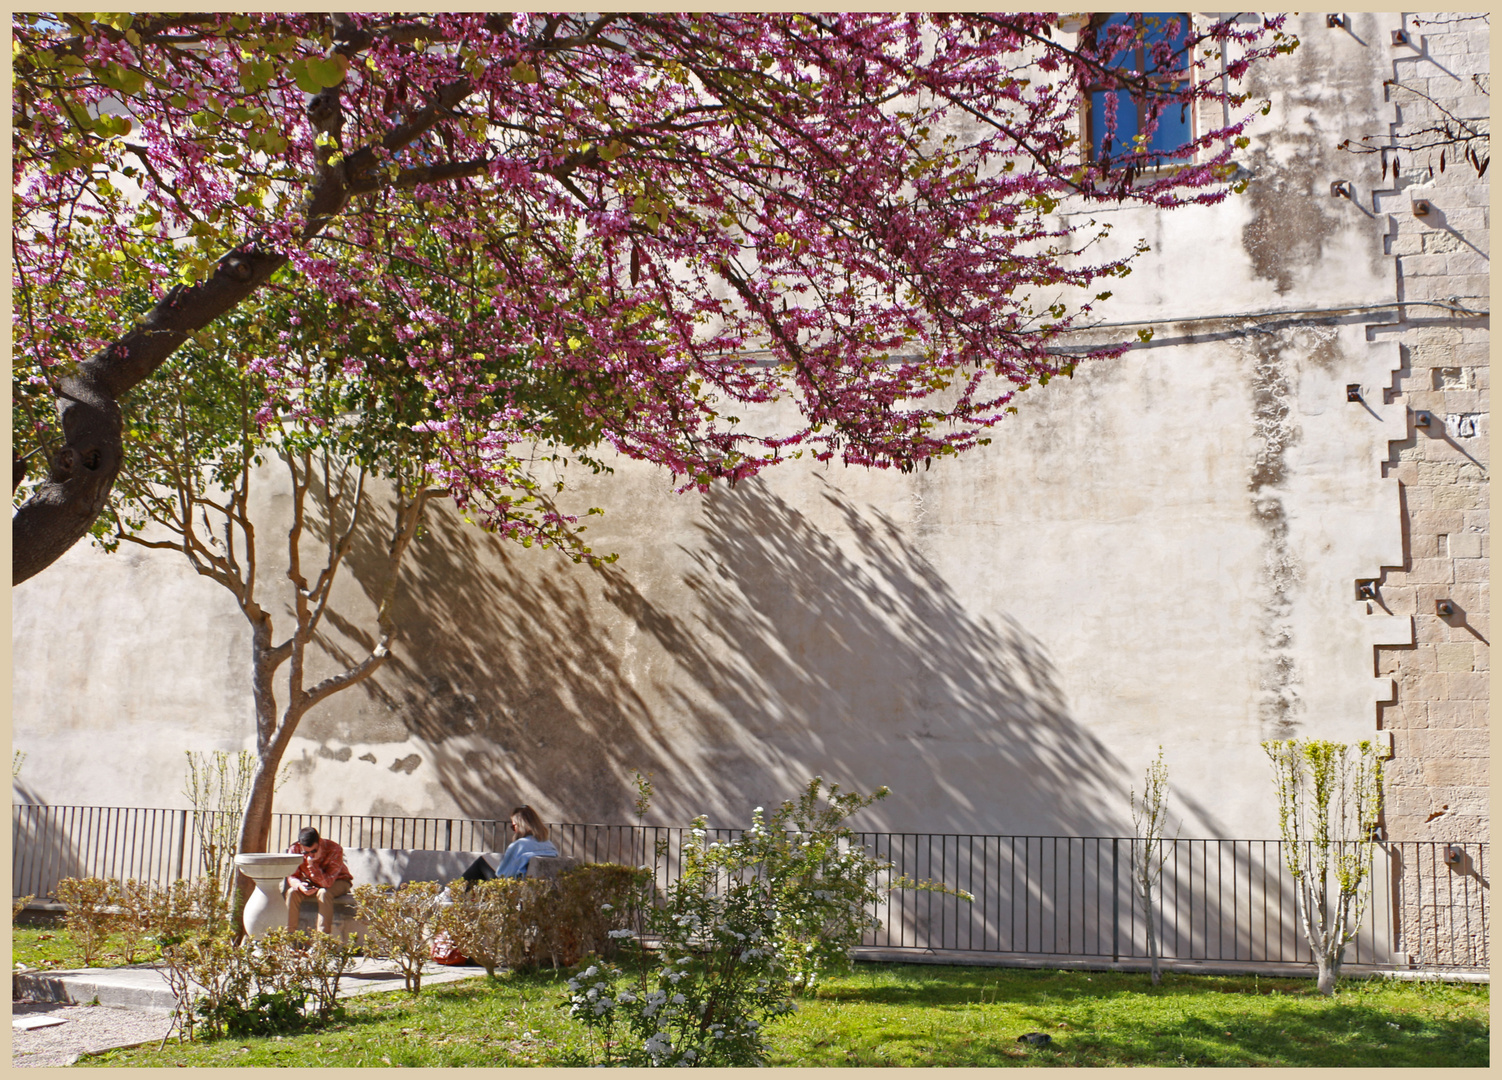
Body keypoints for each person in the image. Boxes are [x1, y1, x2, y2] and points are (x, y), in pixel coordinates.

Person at [284, 826, 353, 934]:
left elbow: (327, 883)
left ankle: (321, 941)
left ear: (319, 842)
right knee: (292, 892)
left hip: (338, 881)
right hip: (312, 882)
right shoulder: (294, 850)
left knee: (323, 893)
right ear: (300, 846)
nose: (310, 855)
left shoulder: (334, 849)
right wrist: (300, 886)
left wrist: (312, 866)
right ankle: (288, 937)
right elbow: (292, 876)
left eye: (314, 851)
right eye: (306, 853)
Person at [492, 805, 558, 878]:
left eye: (513, 826)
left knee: (481, 862)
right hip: (539, 883)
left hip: (517, 885)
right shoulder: (549, 844)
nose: (514, 830)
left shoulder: (519, 845)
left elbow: (502, 874)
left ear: (521, 826)